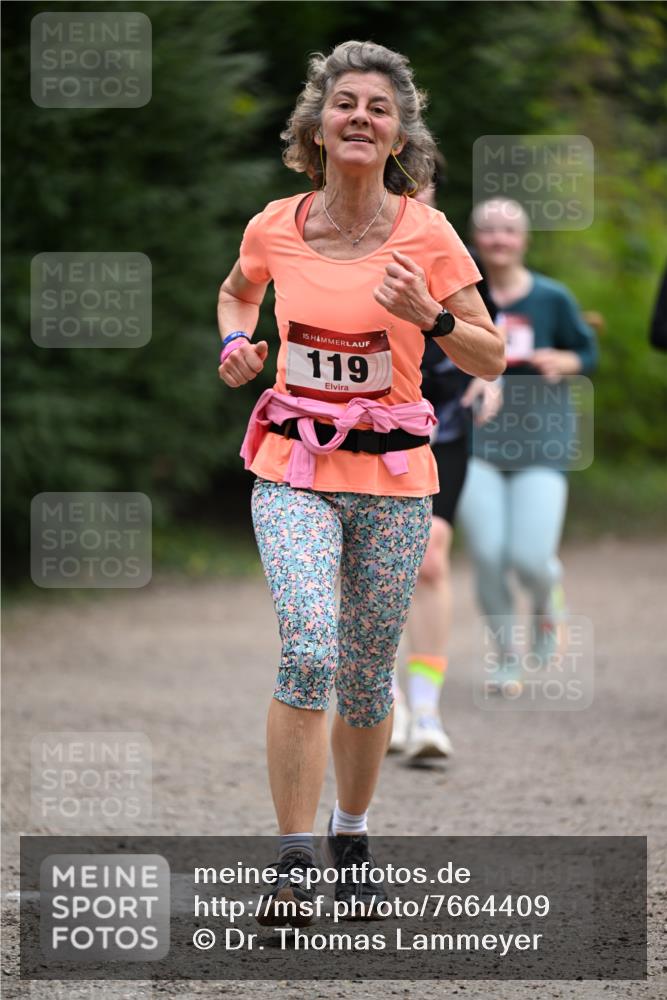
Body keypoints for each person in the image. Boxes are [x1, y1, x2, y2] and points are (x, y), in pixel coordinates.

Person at [217, 40, 504, 925]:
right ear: (315, 124)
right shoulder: (274, 223)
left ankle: (351, 836)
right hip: (292, 468)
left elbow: (489, 352)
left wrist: (432, 316)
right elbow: (236, 293)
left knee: (367, 678)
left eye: (378, 107)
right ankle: (293, 860)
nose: (359, 117)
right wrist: (235, 346)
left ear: (397, 136)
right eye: (344, 102)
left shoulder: (429, 233)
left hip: (392, 477)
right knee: (309, 648)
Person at [457, 197, 598, 692]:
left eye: (509, 230)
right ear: (474, 238)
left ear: (525, 239)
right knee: (490, 555)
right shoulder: (458, 295)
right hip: (477, 444)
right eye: (489, 229)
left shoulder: (552, 298)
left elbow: (587, 351)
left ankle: (546, 599)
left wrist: (566, 360)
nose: (499, 239)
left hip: (541, 443)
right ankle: (505, 658)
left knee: (531, 558)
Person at [390, 181, 503, 759]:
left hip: (444, 429)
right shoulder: (345, 246)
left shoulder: (455, 253)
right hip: (371, 430)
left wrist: (489, 379)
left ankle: (427, 710)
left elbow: (490, 337)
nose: (411, 195)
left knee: (431, 556)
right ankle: (383, 699)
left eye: (419, 185)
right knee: (357, 561)